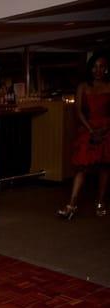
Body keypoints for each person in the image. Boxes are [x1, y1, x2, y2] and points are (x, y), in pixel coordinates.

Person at [57, 53, 110, 219]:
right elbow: (78, 111)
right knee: (81, 167)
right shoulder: (83, 86)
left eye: (101, 66)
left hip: (107, 128)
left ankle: (100, 202)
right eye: (95, 66)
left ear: (106, 69)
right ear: (90, 68)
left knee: (105, 166)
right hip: (89, 127)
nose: (98, 70)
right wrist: (91, 130)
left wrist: (105, 128)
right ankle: (71, 205)